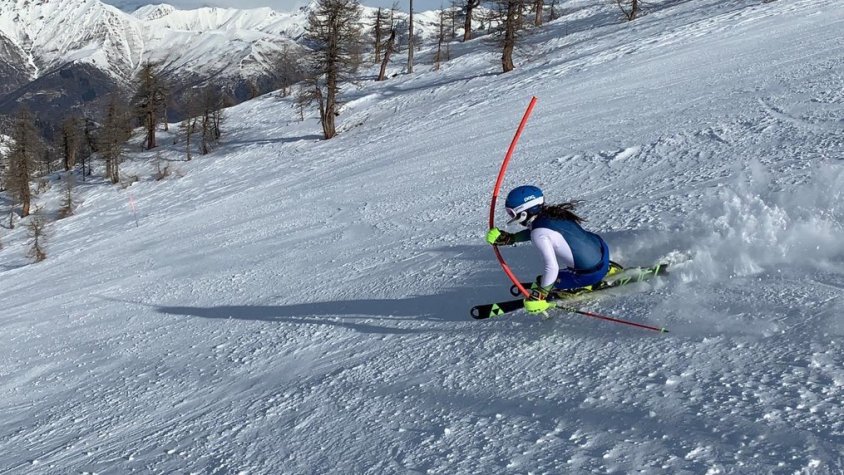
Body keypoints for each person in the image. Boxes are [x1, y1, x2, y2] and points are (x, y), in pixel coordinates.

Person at [485, 185, 617, 315]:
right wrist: (512, 238)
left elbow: (551, 267)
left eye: (512, 213)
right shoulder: (553, 214)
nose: (511, 217)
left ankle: (580, 287)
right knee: (548, 276)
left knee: (549, 280)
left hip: (590, 274)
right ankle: (607, 268)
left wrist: (541, 294)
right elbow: (540, 232)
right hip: (603, 253)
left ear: (524, 211)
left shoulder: (539, 233)